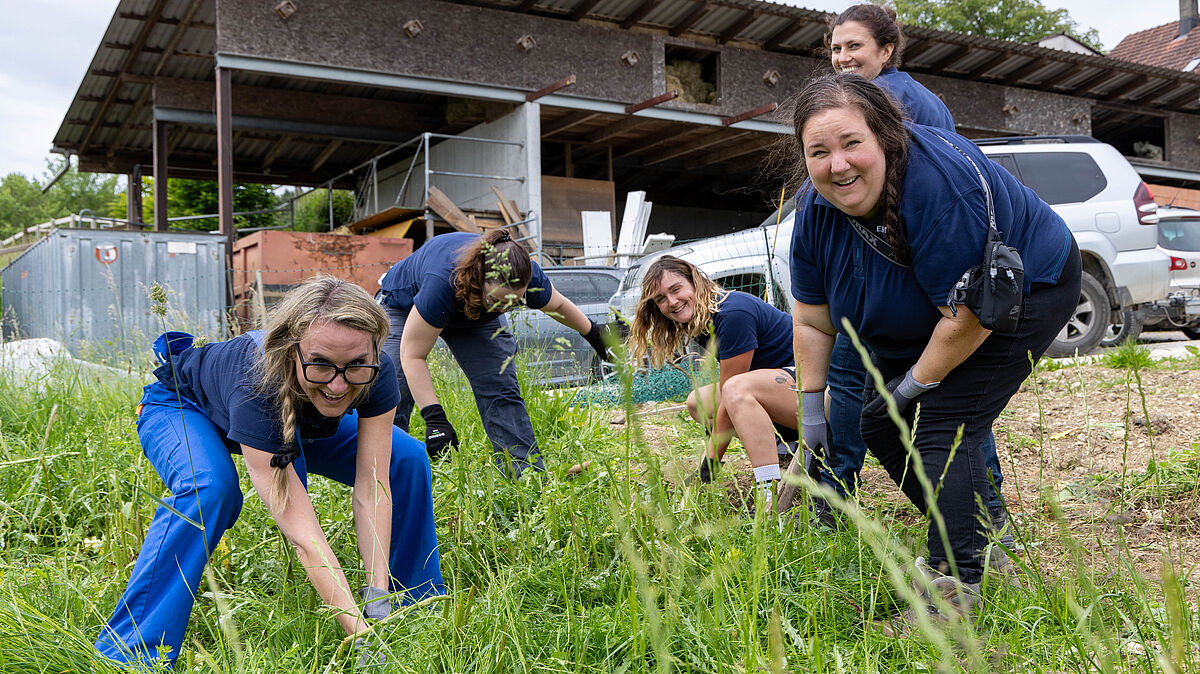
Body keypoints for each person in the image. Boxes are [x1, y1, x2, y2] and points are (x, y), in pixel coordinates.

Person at [788, 73, 1079, 629]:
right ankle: (985, 538)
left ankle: (954, 590)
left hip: (1023, 291)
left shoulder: (939, 189)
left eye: (852, 143)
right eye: (818, 152)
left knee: (945, 426)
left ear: (884, 136)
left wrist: (911, 386)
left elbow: (970, 315)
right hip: (938, 315)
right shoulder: (817, 211)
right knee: (878, 427)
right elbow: (811, 318)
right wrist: (810, 411)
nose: (838, 165)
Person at [95, 277, 444, 667]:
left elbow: (373, 486)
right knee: (211, 488)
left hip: (292, 418)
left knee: (407, 457)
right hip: (182, 407)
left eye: (355, 366)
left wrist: (376, 598)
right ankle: (130, 650)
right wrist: (358, 633)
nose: (338, 384)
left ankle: (413, 606)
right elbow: (303, 533)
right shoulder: (256, 382)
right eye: (321, 364)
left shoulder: (374, 370)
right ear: (292, 348)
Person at [815, 3, 1010, 533]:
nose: (842, 57)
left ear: (885, 49)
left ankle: (835, 495)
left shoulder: (883, 102)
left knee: (855, 380)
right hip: (924, 272)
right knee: (952, 391)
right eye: (835, 48)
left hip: (896, 271)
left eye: (854, 45)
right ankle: (989, 515)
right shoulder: (917, 98)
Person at [378, 229, 611, 478]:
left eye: (515, 302)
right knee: (391, 388)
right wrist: (434, 417)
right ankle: (381, 473)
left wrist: (593, 333)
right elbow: (413, 354)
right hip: (404, 306)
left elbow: (558, 305)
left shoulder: (524, 275)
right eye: (501, 301)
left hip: (475, 313)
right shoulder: (442, 282)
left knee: (500, 385)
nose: (507, 309)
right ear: (480, 279)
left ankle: (525, 476)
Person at [628, 256, 796, 510]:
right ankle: (784, 450)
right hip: (776, 388)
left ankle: (769, 494)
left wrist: (708, 465)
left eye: (676, 289)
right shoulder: (704, 319)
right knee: (697, 403)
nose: (672, 302)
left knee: (734, 391)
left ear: (695, 282)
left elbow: (732, 395)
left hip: (815, 392)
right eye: (661, 299)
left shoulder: (732, 314)